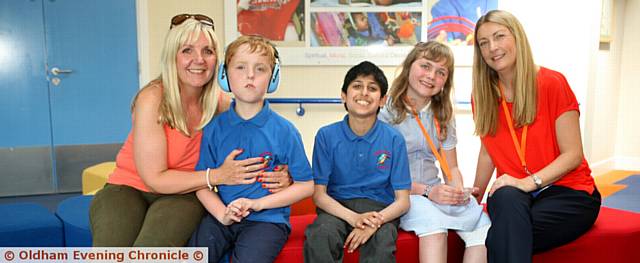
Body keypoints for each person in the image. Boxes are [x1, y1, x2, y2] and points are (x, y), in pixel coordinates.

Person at [89, 15, 291, 247]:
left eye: (208, 51)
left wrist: (282, 175)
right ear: (172, 57)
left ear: (218, 61)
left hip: (185, 194)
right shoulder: (152, 99)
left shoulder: (222, 106)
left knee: (149, 253)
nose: (199, 60)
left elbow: (259, 148)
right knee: (110, 252)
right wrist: (216, 175)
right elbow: (154, 179)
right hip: (127, 188)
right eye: (187, 50)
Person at [471, 10, 601, 263]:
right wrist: (475, 196)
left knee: (501, 234)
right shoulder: (483, 95)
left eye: (499, 37)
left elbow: (573, 155)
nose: (492, 48)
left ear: (517, 38)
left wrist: (527, 183)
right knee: (506, 199)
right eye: (483, 43)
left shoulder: (552, 83)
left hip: (568, 190)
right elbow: (488, 150)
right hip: (513, 195)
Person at [188, 35, 314, 263]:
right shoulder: (214, 128)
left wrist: (258, 204)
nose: (250, 75)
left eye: (260, 69)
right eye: (240, 67)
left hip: (268, 220)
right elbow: (202, 185)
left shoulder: (285, 131)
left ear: (272, 78)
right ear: (225, 76)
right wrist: (222, 215)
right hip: (222, 217)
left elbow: (306, 186)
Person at [379, 41, 490, 263]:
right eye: (425, 66)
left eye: (441, 72)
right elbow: (381, 172)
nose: (431, 76)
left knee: (483, 227)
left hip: (433, 192)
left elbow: (452, 168)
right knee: (435, 227)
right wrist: (428, 191)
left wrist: (457, 191)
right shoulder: (385, 110)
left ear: (445, 82)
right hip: (400, 194)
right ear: (410, 66)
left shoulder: (443, 114)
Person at [304, 61, 411, 263]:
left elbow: (403, 201)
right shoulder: (326, 135)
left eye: (372, 88)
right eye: (357, 86)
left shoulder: (394, 139)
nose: (364, 93)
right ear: (343, 95)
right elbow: (319, 195)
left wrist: (373, 222)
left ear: (382, 100)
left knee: (381, 244)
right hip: (336, 208)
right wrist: (354, 218)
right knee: (320, 235)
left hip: (380, 210)